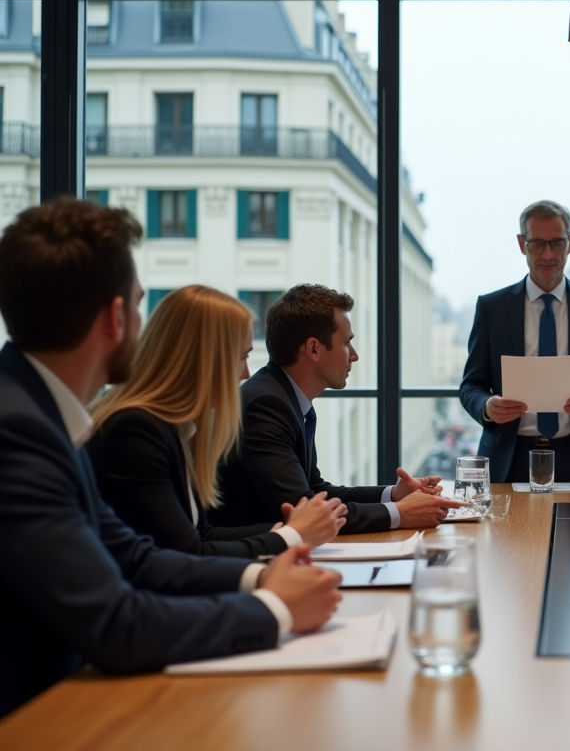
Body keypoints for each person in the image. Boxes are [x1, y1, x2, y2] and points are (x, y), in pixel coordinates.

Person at [0, 198, 341, 718]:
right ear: (116, 317)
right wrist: (275, 607)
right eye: (139, 303)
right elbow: (116, 623)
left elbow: (134, 555)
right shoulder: (21, 431)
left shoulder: (39, 414)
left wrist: (261, 578)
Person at [88, 285, 349, 557]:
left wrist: (292, 529)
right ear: (203, 359)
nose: (246, 373)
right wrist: (292, 534)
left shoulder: (175, 426)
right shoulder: (135, 430)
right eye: (241, 357)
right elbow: (188, 552)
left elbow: (203, 534)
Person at [214, 285, 459, 533]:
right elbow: (306, 510)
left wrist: (394, 495)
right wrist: (400, 513)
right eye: (347, 343)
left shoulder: (285, 397)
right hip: (250, 560)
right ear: (313, 349)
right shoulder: (266, 404)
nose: (354, 356)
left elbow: (317, 490)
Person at [459, 200, 570, 483]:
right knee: (505, 530)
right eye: (537, 243)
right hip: (508, 459)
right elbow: (470, 386)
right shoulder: (492, 307)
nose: (548, 254)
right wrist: (487, 406)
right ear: (521, 243)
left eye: (557, 243)